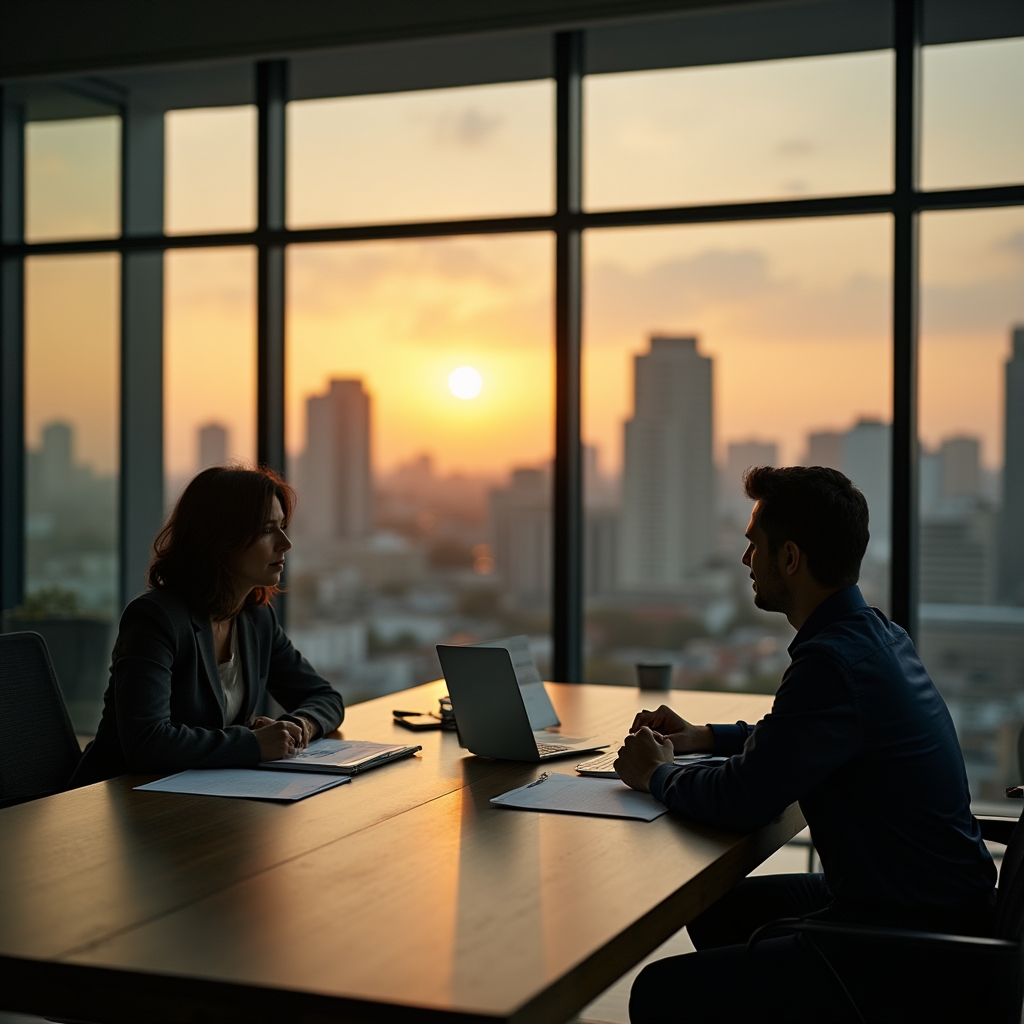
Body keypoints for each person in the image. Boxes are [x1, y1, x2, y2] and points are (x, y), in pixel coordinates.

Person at [615, 466, 996, 1023]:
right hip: (933, 907)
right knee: (717, 909)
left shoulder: (831, 662)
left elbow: (743, 798)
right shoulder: (876, 635)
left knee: (658, 992)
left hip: (908, 948)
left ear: (790, 558)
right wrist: (704, 736)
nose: (746, 560)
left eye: (755, 545)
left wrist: (657, 774)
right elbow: (802, 737)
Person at [70, 466, 344, 787]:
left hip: (202, 794)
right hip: (118, 797)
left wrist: (298, 727)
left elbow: (325, 698)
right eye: (268, 529)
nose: (285, 543)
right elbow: (147, 742)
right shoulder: (155, 618)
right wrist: (253, 743)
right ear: (221, 538)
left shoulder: (256, 619)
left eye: (282, 527)